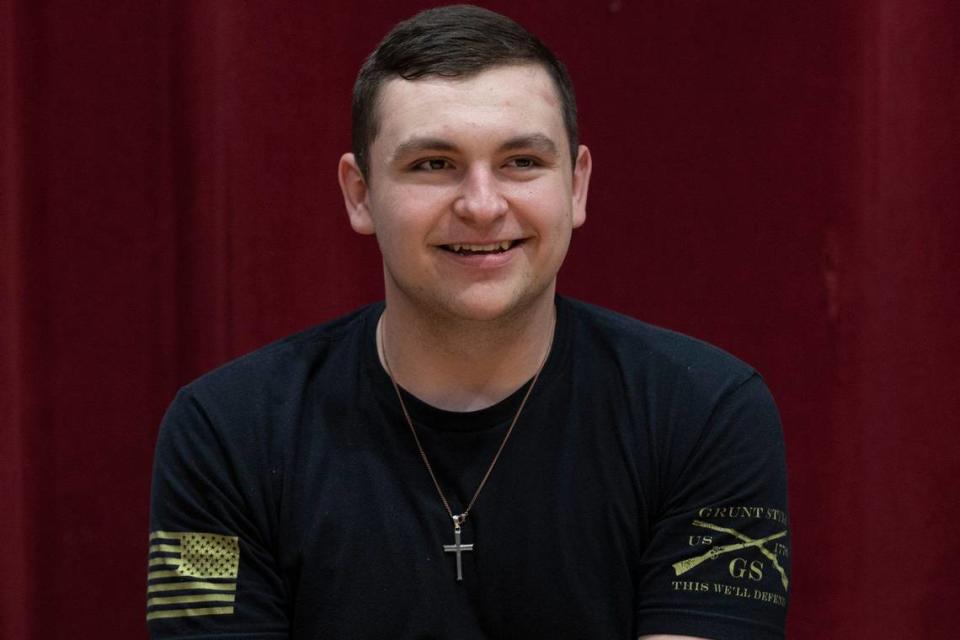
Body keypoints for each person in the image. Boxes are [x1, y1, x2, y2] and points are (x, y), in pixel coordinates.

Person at [146, 5, 790, 639]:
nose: (482, 206)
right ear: (360, 193)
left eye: (521, 163)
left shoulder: (708, 413)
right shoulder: (224, 432)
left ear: (577, 186)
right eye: (433, 164)